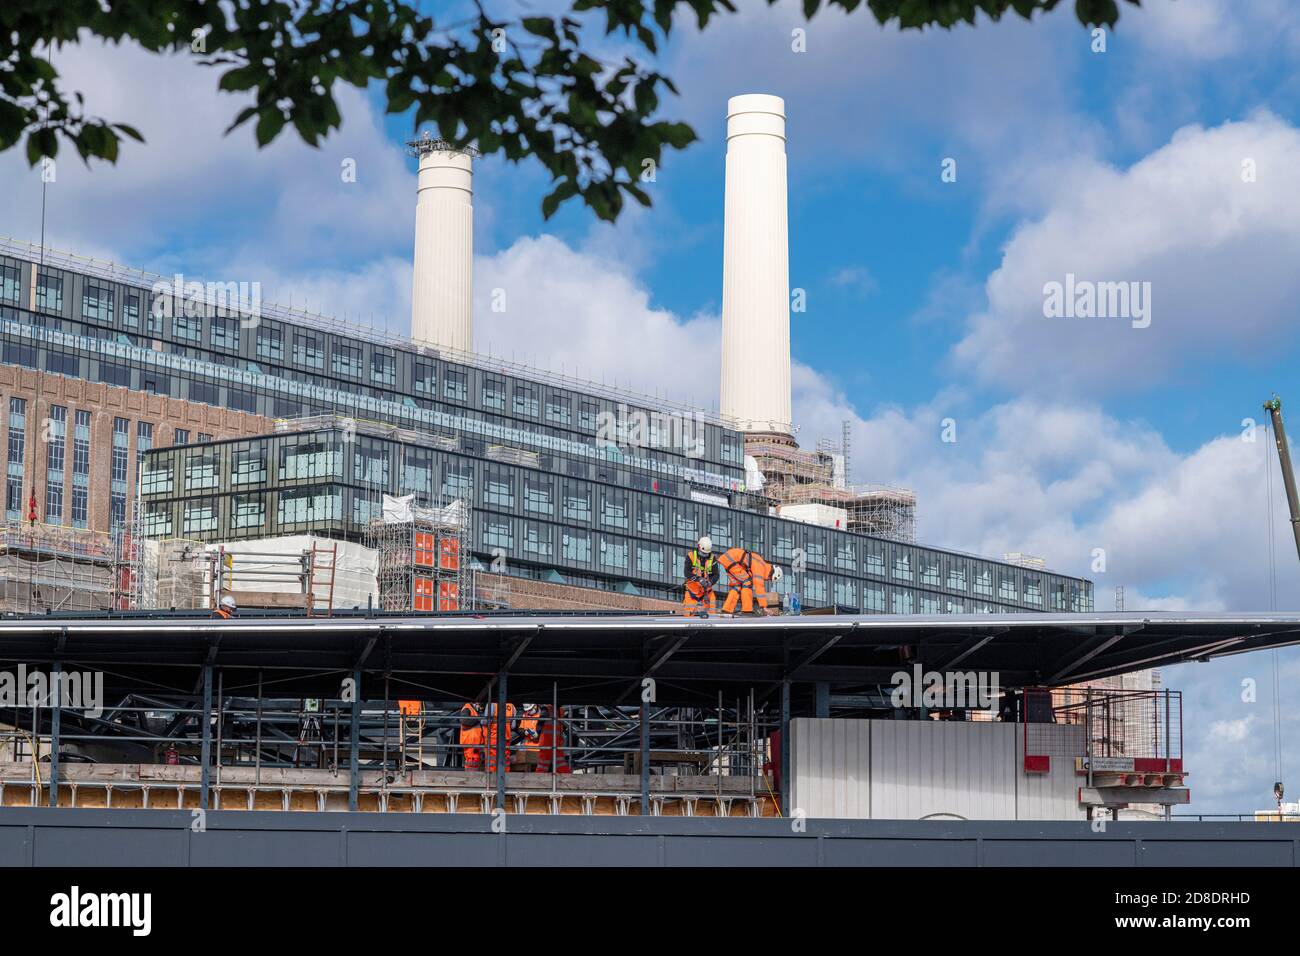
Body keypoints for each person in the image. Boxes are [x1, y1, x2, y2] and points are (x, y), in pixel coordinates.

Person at [718, 548, 778, 615]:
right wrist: (764, 607)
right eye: (770, 578)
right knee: (747, 583)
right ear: (771, 573)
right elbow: (759, 587)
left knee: (737, 586)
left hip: (729, 560)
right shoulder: (761, 568)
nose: (768, 579)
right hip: (732, 560)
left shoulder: (761, 563)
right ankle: (747, 610)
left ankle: (727, 609)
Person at [682, 535, 719, 613]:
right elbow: (687, 572)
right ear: (699, 547)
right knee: (688, 613)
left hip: (707, 591)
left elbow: (716, 575)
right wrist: (699, 579)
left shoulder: (712, 558)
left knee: (711, 612)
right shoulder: (691, 556)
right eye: (703, 553)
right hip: (692, 590)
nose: (705, 555)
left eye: (707, 554)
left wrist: (710, 582)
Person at [458, 702, 484, 771]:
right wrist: (478, 719)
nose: (480, 709)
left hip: (473, 741)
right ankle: (471, 777)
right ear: (476, 703)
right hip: (470, 741)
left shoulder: (471, 710)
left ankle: (472, 777)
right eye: (480, 706)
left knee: (473, 760)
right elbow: (464, 720)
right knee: (472, 760)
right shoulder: (467, 708)